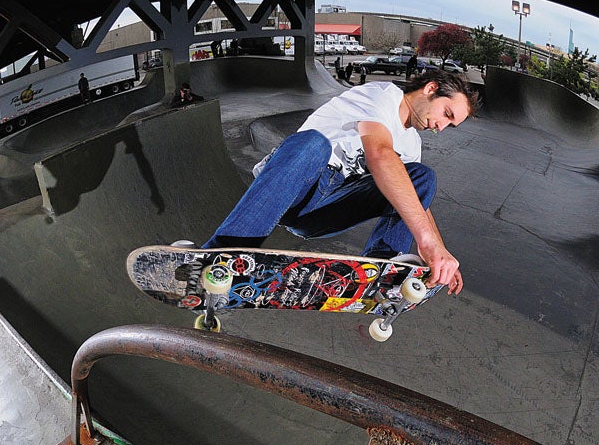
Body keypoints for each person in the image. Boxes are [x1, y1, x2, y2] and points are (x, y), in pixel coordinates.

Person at [199, 70, 478, 294]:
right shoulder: (382, 96)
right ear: (431, 89)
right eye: (447, 114)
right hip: (295, 186)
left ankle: (379, 269)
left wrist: (439, 251)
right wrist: (427, 240)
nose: (441, 127)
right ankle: (223, 254)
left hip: (330, 208)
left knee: (421, 176)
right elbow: (379, 154)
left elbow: (415, 203)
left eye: (450, 125)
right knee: (314, 144)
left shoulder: (412, 144)